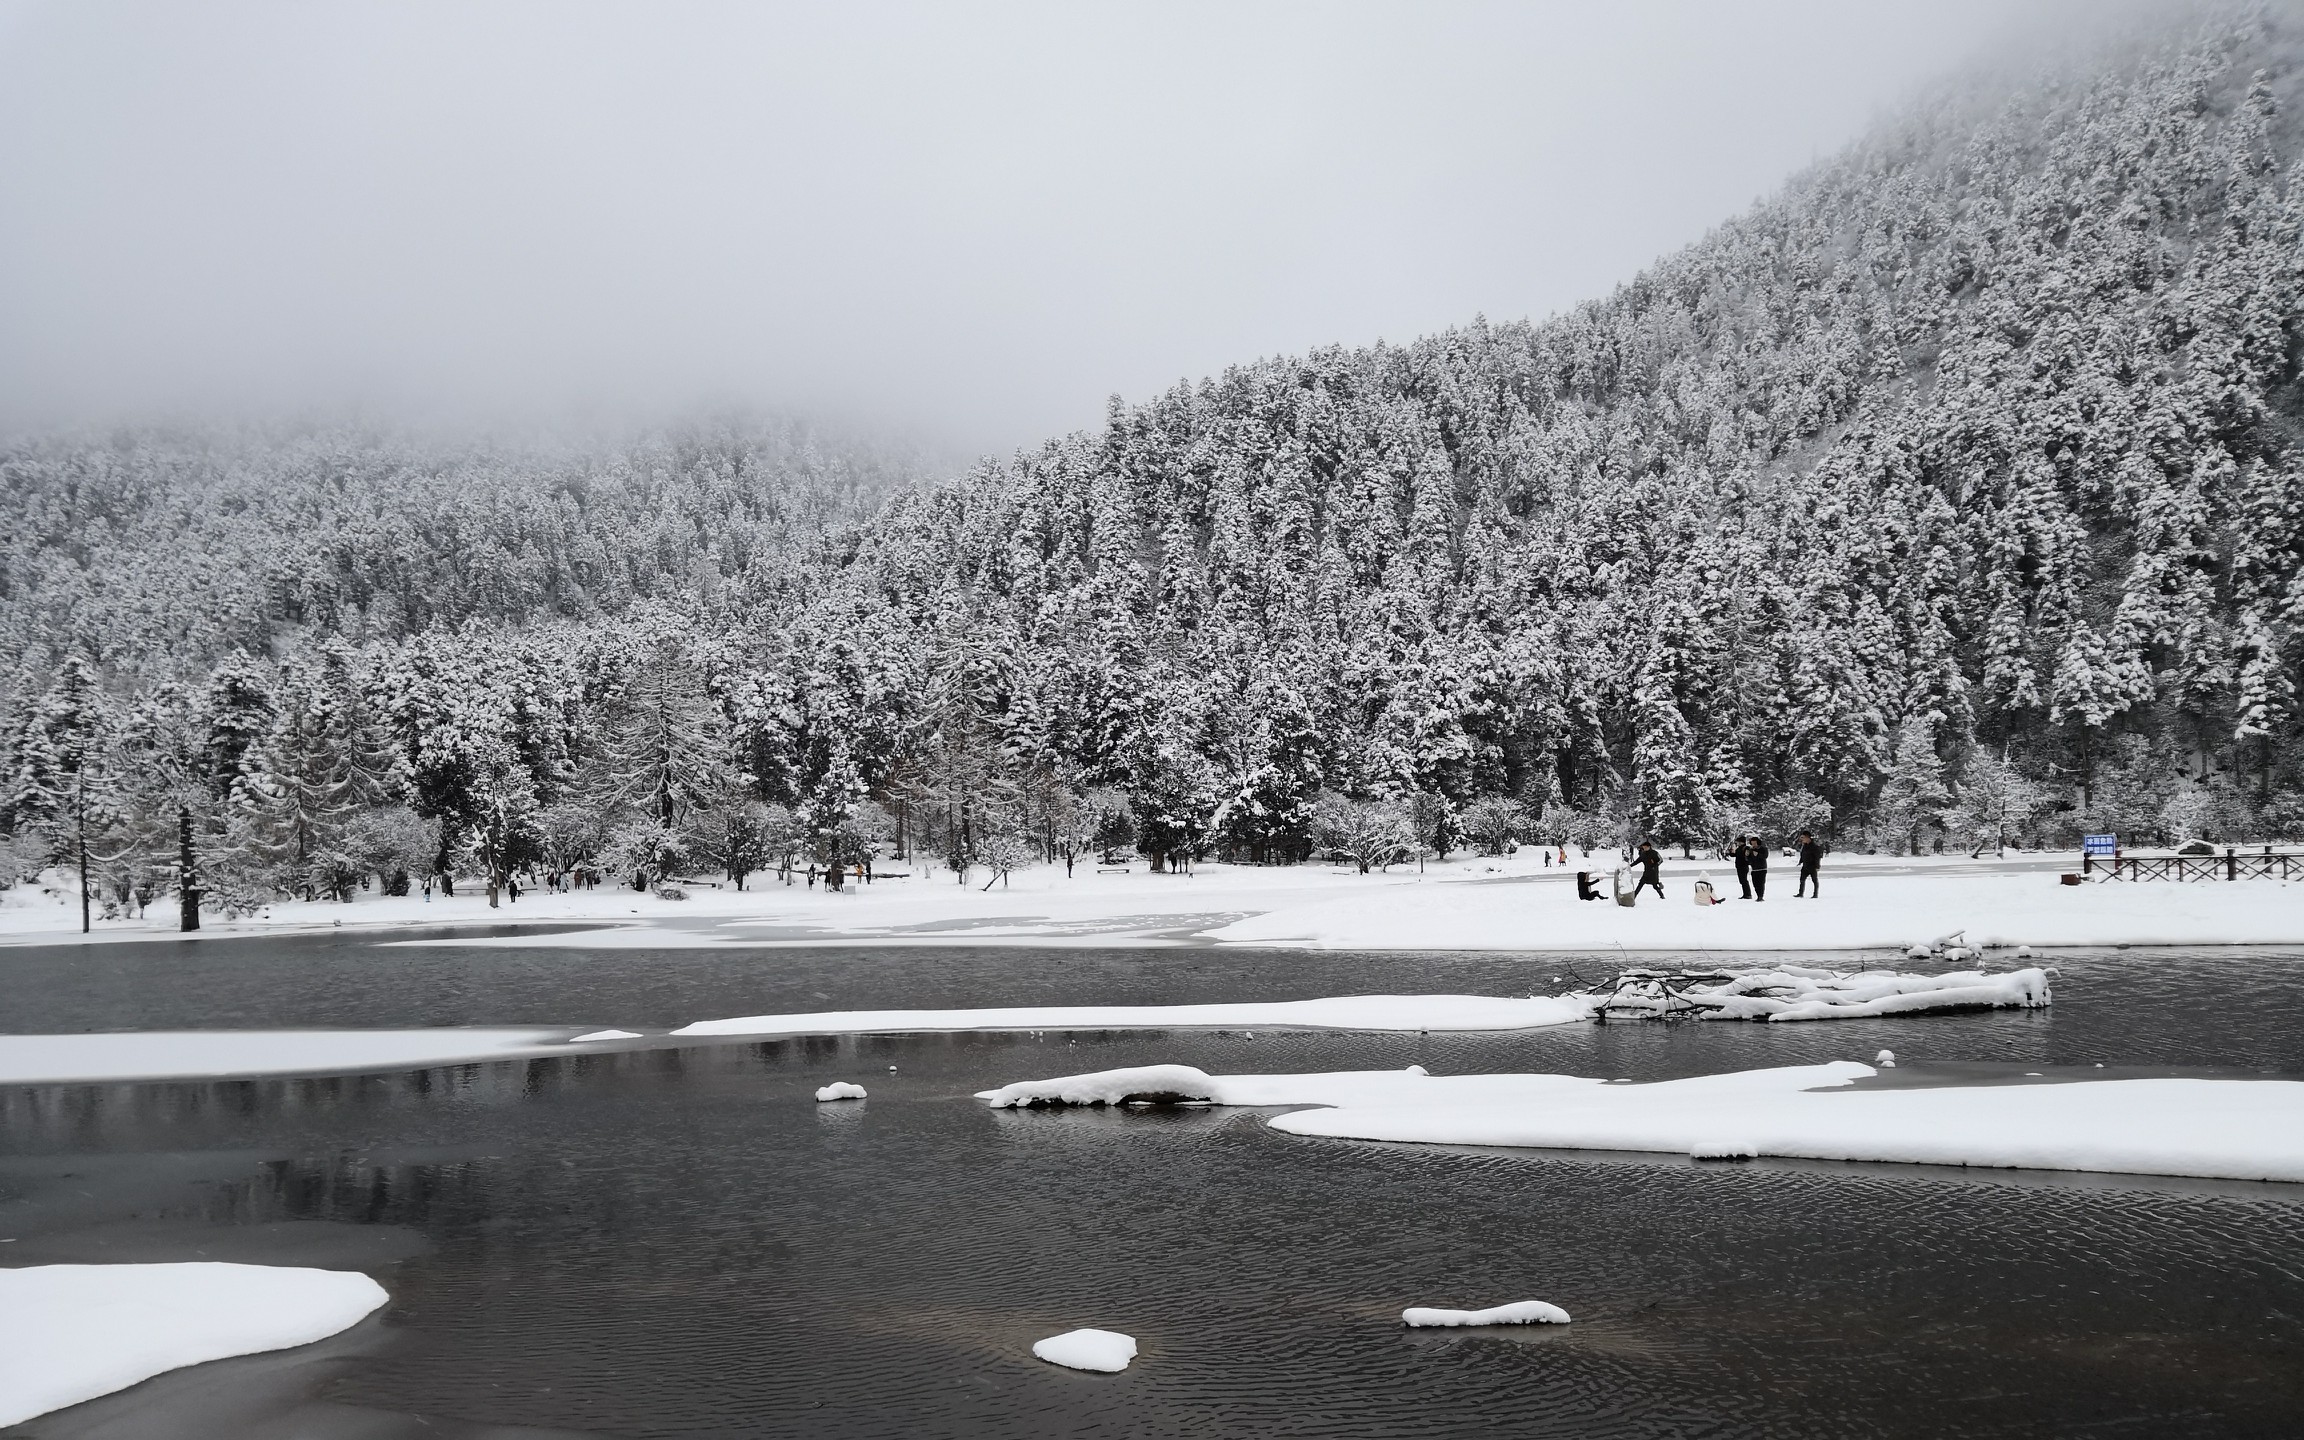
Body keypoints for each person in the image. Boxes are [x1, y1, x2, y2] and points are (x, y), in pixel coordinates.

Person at [1797, 831, 1825, 897]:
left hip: (1812, 866)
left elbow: (1817, 857)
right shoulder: (1804, 846)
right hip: (1805, 866)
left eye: (1803, 837)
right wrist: (1800, 861)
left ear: (1807, 838)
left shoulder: (1814, 847)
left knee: (1814, 880)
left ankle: (1815, 894)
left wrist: (1817, 866)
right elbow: (1803, 854)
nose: (1802, 839)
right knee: (1802, 879)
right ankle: (1800, 893)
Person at [1748, 837, 1769, 901]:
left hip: (1762, 868)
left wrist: (1758, 854)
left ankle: (1760, 896)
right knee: (1755, 884)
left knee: (1761, 883)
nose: (1753, 844)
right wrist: (1747, 856)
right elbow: (1749, 860)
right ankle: (1758, 895)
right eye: (1752, 843)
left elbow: (1765, 856)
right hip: (1754, 869)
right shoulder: (1750, 850)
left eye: (1755, 843)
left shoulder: (1763, 848)